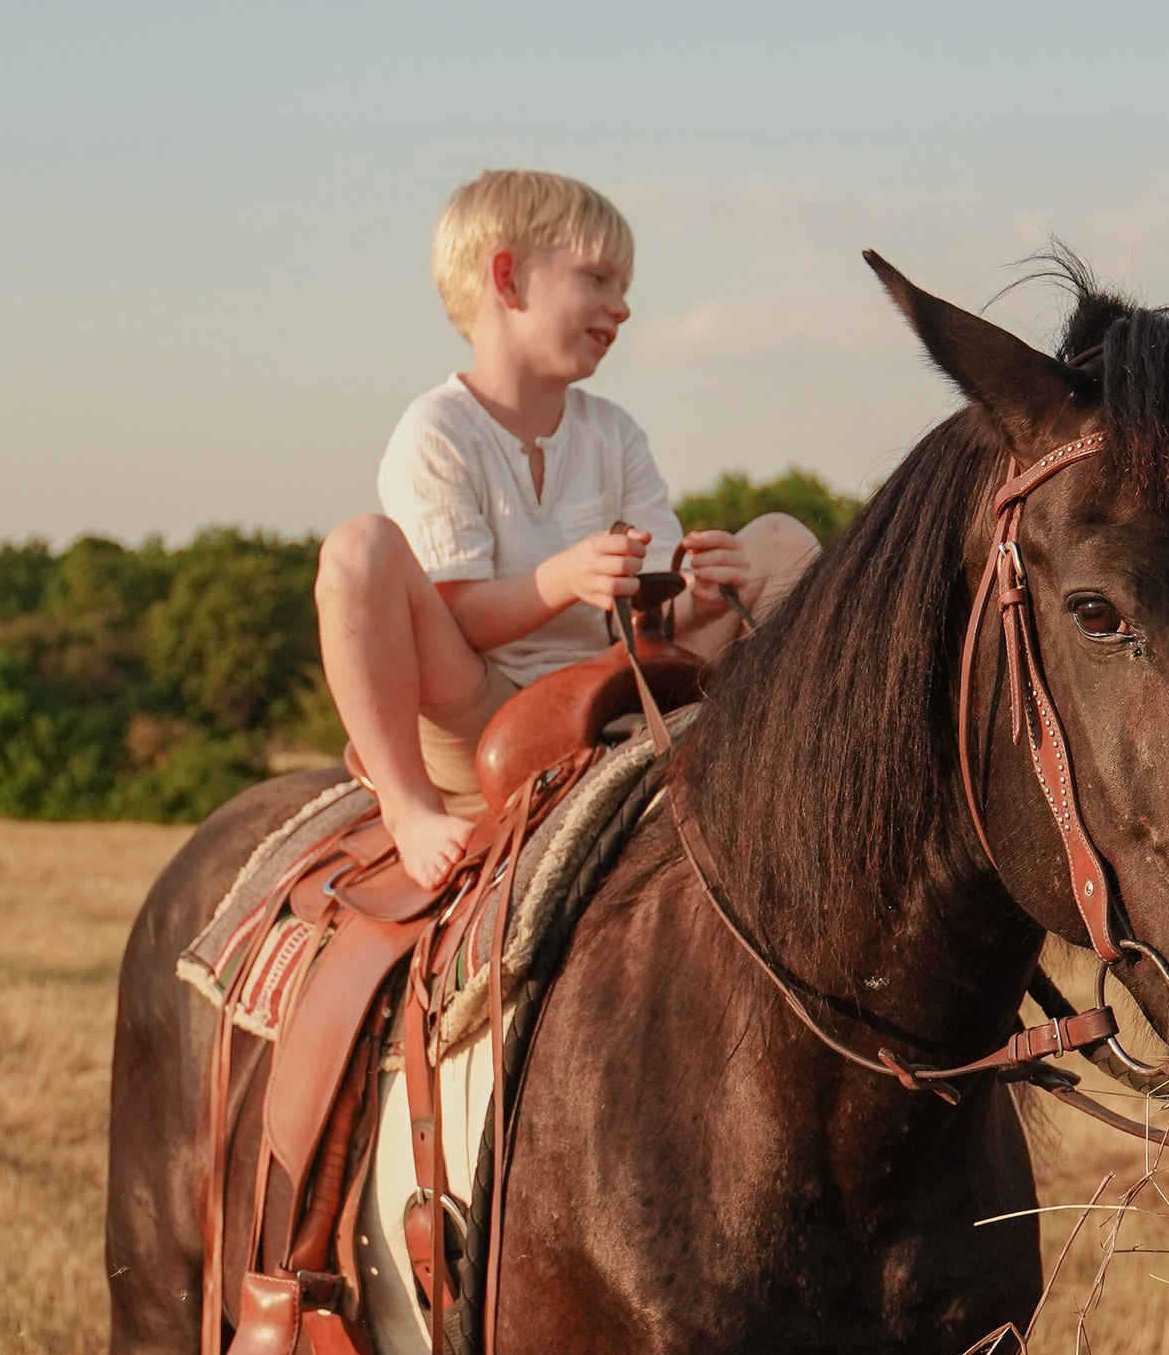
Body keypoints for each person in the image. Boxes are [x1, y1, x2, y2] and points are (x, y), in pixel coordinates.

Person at [316, 168, 821, 889]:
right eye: (598, 279)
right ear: (508, 278)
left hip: (609, 690)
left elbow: (651, 614)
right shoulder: (438, 429)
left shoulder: (614, 434)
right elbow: (457, 615)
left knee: (781, 539)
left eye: (625, 288)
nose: (621, 307)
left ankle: (791, 770)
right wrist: (558, 581)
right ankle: (409, 806)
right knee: (359, 548)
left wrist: (706, 592)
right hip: (478, 706)